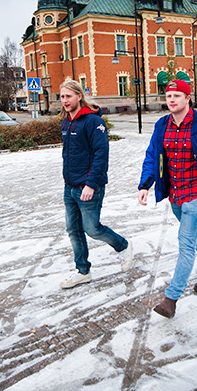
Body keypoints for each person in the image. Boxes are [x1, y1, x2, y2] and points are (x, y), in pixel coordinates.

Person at [137, 79, 197, 318]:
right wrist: (145, 184)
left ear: (187, 98)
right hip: (175, 195)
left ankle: (171, 298)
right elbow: (153, 156)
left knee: (186, 241)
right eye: (169, 95)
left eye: (177, 95)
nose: (171, 99)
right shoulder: (162, 126)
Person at [59, 80, 132, 289]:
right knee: (73, 230)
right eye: (62, 97)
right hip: (70, 186)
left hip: (89, 186)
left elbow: (102, 154)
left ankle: (123, 246)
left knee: (92, 229)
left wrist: (90, 184)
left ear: (79, 96)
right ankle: (82, 271)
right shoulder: (67, 122)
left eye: (68, 96)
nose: (65, 101)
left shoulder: (92, 121)